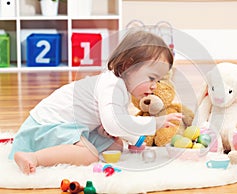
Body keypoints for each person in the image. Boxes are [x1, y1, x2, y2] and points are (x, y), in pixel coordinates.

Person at [9, 30, 183, 174]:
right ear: (129, 66)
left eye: (158, 81)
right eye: (152, 78)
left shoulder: (119, 87)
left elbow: (109, 121)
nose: (154, 86)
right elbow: (115, 123)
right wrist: (154, 123)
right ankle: (35, 157)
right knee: (89, 155)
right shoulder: (112, 85)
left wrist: (133, 139)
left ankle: (63, 151)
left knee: (115, 146)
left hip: (72, 126)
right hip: (48, 125)